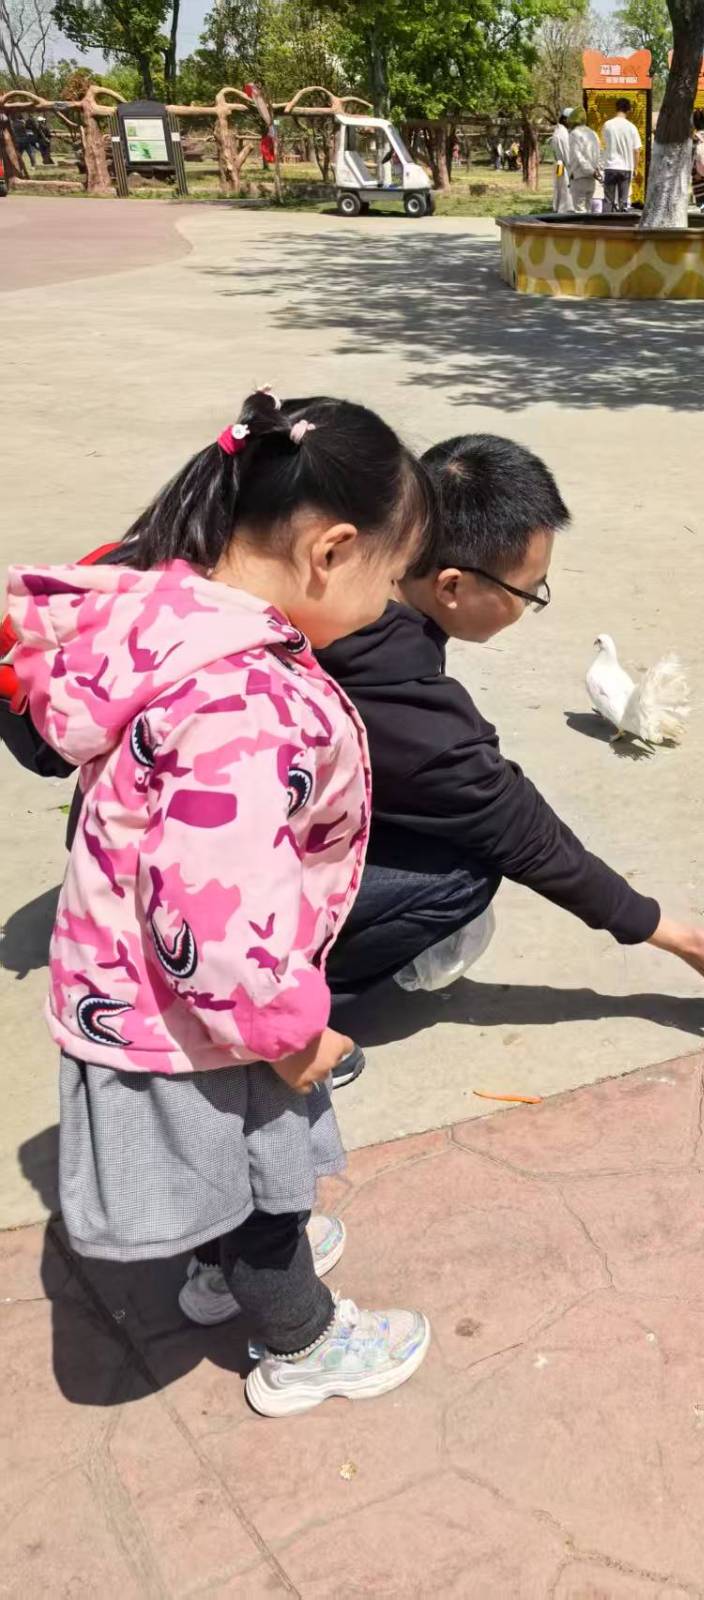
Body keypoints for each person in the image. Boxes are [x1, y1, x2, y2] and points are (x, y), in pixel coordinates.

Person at [5, 390, 437, 1420]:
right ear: (331, 552)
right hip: (203, 1002)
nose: (386, 606)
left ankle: (215, 1269)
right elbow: (214, 908)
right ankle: (302, 1336)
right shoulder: (245, 700)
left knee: (225, 1159)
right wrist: (287, 1030)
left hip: (139, 984)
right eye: (388, 579)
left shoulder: (164, 618)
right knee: (257, 1185)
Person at [318, 434, 704, 1006]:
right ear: (451, 585)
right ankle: (274, 1018)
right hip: (221, 889)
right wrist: (670, 934)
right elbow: (517, 828)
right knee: (462, 875)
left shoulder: (338, 560)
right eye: (526, 591)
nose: (529, 606)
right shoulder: (408, 705)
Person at [601, 97, 641, 213]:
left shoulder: (607, 125)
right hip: (626, 167)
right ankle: (623, 226)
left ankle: (607, 226)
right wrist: (635, 167)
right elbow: (637, 150)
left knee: (608, 200)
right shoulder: (632, 127)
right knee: (623, 202)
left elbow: (604, 145)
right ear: (628, 110)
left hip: (610, 166)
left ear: (616, 108)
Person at [567, 113, 602, 212]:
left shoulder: (574, 134)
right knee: (588, 209)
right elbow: (598, 154)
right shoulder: (593, 133)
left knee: (580, 210)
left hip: (579, 176)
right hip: (591, 178)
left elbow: (578, 156)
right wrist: (596, 170)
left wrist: (590, 171)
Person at [551, 108, 572, 213]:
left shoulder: (558, 131)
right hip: (563, 164)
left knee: (559, 187)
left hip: (559, 163)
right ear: (565, 119)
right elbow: (567, 154)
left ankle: (558, 208)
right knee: (564, 188)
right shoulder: (563, 134)